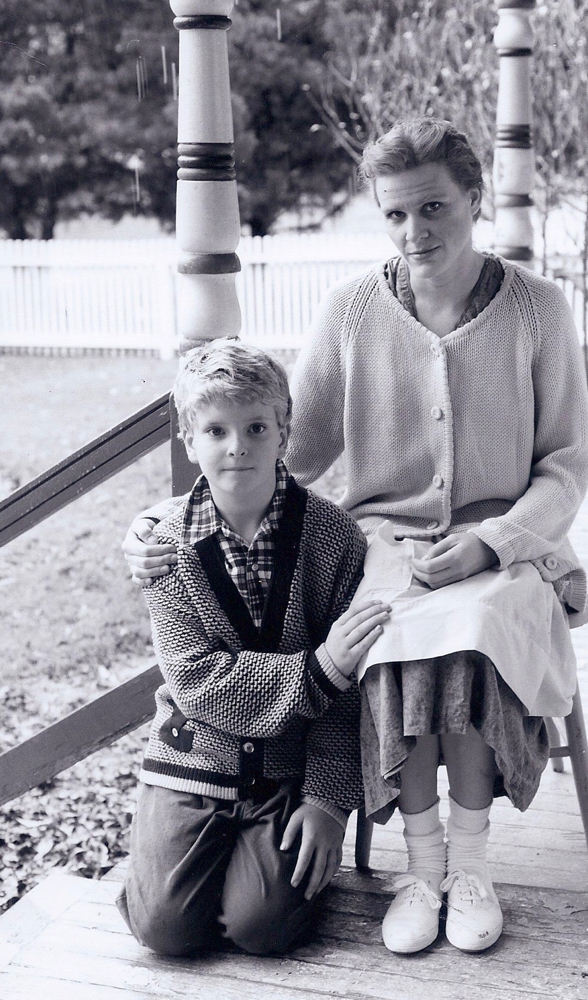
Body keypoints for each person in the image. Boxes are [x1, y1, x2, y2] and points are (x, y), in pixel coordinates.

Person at [123, 117, 588, 957]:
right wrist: (168, 519)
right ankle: (421, 867)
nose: (416, 232)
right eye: (396, 215)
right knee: (388, 630)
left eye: (435, 208)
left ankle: (471, 864)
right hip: (382, 542)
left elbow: (565, 468)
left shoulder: (538, 311)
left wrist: (494, 543)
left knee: (478, 624)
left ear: (474, 200)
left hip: (509, 545)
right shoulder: (352, 310)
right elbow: (283, 449)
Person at [117, 340, 391, 957]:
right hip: (194, 759)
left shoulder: (334, 540)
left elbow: (352, 687)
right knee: (164, 932)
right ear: (189, 440)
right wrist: (317, 670)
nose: (236, 445)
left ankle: (249, 872)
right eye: (215, 429)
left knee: (262, 928)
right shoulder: (164, 545)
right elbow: (194, 680)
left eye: (256, 426)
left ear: (284, 431)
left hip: (288, 773)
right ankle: (175, 865)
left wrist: (327, 801)